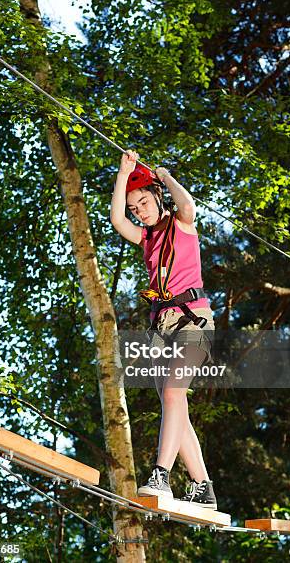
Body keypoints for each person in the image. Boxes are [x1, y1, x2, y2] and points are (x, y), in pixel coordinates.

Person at [110, 150, 217, 510]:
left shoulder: (182, 225)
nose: (139, 211)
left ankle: (161, 475)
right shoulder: (147, 239)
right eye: (135, 208)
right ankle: (202, 486)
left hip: (193, 320)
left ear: (157, 195)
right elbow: (115, 220)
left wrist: (164, 174)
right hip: (161, 327)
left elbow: (187, 204)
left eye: (143, 202)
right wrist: (124, 175)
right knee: (174, 402)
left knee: (174, 395)